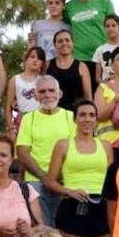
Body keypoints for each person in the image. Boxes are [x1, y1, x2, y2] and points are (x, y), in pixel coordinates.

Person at [45, 100, 113, 237]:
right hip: (73, 205)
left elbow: (111, 180)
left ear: (96, 119)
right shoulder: (64, 145)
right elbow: (50, 181)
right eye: (82, 115)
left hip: (100, 207)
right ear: (75, 119)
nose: (87, 119)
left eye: (91, 115)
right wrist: (69, 191)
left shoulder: (105, 146)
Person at [16, 76, 75, 226]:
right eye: (42, 91)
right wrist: (44, 177)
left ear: (59, 93)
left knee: (65, 225)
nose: (47, 95)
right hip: (36, 178)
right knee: (43, 227)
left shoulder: (70, 116)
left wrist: (57, 177)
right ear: (36, 95)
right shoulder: (29, 118)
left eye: (51, 90)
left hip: (64, 178)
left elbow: (76, 149)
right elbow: (22, 152)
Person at [65, 0, 117, 79]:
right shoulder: (68, 7)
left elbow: (115, 29)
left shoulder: (104, 2)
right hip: (79, 59)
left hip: (103, 58)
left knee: (104, 95)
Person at [45, 29, 93, 114]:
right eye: (60, 41)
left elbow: (88, 97)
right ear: (54, 45)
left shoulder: (82, 66)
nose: (64, 43)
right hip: (52, 114)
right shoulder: (47, 65)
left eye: (67, 40)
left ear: (72, 43)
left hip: (75, 116)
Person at [6, 46, 46, 133]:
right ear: (26, 59)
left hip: (41, 119)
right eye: (32, 57)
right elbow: (9, 107)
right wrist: (10, 129)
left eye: (39, 59)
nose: (35, 60)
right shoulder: (15, 80)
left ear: (42, 63)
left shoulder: (43, 80)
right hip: (22, 120)